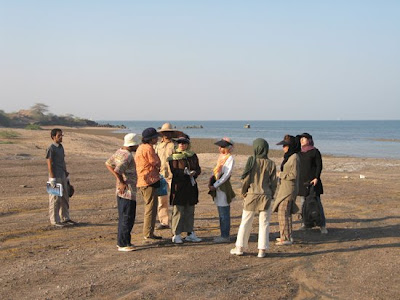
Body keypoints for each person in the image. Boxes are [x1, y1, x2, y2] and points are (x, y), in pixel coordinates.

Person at [230, 138, 277, 258]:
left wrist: (243, 191)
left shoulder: (251, 161)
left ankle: (239, 247)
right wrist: (272, 193)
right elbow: (274, 182)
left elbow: (246, 179)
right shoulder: (271, 163)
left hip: (252, 194)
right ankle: (262, 250)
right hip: (265, 195)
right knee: (264, 223)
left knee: (245, 222)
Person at [105, 133, 140, 252]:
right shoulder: (127, 156)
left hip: (121, 191)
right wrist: (121, 181)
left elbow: (108, 163)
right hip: (127, 190)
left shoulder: (119, 151)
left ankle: (124, 241)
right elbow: (117, 170)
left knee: (123, 216)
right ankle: (123, 243)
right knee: (127, 217)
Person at [168, 135, 202, 244]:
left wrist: (194, 173)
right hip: (179, 187)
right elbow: (174, 171)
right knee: (178, 210)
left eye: (184, 143)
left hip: (191, 186)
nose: (182, 145)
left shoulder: (192, 155)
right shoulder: (174, 157)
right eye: (180, 143)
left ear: (188, 144)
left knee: (190, 210)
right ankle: (176, 234)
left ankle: (190, 233)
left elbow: (198, 168)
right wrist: (184, 173)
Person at [134, 127, 162, 240]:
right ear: (151, 139)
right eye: (155, 137)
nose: (157, 139)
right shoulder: (148, 148)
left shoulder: (141, 147)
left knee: (150, 207)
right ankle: (148, 233)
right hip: (149, 180)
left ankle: (149, 232)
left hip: (143, 180)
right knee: (151, 208)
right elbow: (156, 162)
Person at [297, 132, 328, 234]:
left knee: (317, 203)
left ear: (309, 140)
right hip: (302, 182)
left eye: (304, 138)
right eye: (301, 138)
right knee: (303, 204)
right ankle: (305, 224)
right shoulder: (299, 152)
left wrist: (316, 177)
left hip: (313, 182)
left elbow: (319, 166)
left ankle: (322, 225)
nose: (302, 140)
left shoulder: (315, 151)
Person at [272, 135, 300, 245]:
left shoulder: (294, 157)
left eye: (285, 145)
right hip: (285, 187)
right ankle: (286, 236)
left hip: (289, 189)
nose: (283, 147)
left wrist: (281, 175)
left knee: (283, 212)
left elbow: (294, 174)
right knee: (284, 212)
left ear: (291, 146)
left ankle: (286, 237)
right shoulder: (289, 156)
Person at [154, 123, 183, 230]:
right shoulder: (158, 145)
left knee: (176, 199)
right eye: (165, 132)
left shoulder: (176, 145)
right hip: (161, 176)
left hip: (174, 175)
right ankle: (164, 222)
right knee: (162, 200)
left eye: (169, 132)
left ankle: (177, 221)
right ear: (162, 133)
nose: (167, 134)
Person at [46, 128, 75, 227]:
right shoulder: (51, 148)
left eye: (62, 135)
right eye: (59, 136)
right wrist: (52, 178)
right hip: (54, 176)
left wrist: (66, 173)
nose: (61, 137)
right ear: (53, 137)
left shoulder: (61, 147)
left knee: (65, 197)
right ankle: (54, 220)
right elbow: (49, 163)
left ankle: (65, 218)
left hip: (62, 175)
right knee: (54, 199)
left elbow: (62, 161)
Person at [208, 137, 235, 243]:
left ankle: (225, 235)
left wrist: (215, 185)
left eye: (222, 146)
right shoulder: (221, 157)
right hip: (218, 185)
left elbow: (226, 175)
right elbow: (217, 171)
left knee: (224, 212)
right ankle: (223, 234)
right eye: (220, 146)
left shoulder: (230, 158)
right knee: (221, 211)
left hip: (223, 187)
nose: (220, 148)